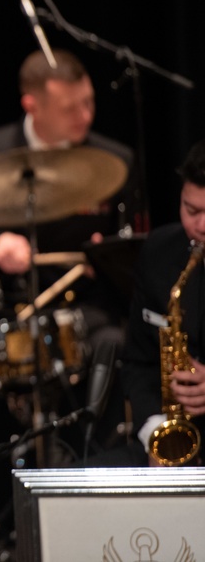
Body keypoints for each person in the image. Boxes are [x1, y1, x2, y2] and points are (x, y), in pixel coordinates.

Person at [0, 48, 136, 456]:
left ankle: (101, 470)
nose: (85, 116)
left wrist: (109, 256)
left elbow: (133, 251)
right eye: (70, 108)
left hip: (85, 312)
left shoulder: (114, 160)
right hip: (4, 313)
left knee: (118, 346)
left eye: (89, 102)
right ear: (32, 105)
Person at [115, 138, 205, 467]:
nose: (201, 226)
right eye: (191, 210)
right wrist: (157, 434)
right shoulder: (158, 252)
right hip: (171, 439)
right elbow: (138, 363)